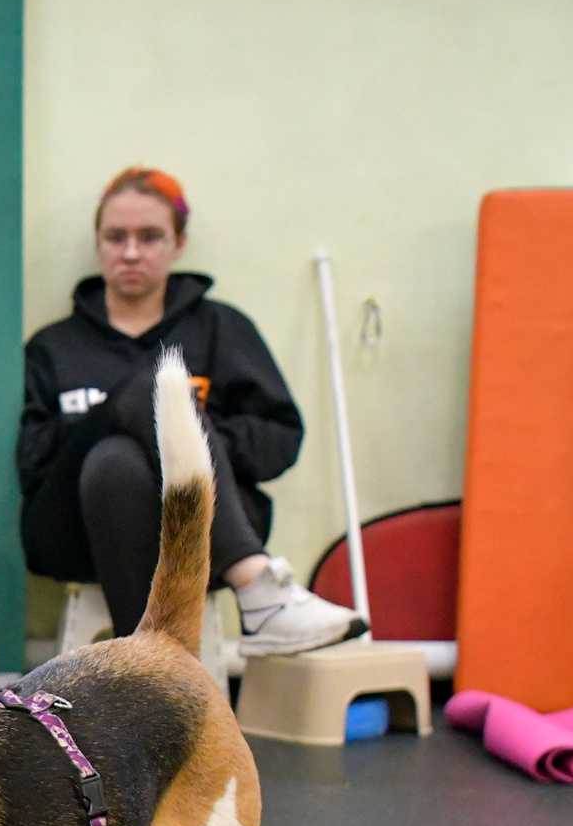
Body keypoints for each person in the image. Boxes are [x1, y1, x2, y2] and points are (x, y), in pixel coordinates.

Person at [18, 167, 364, 656]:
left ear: (179, 244)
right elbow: (33, 462)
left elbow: (280, 440)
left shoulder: (222, 328)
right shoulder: (53, 347)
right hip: (75, 532)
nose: (131, 252)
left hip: (200, 528)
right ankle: (259, 590)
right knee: (155, 390)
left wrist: (196, 435)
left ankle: (150, 673)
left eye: (150, 237)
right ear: (98, 244)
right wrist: (117, 416)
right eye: (116, 237)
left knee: (120, 456)